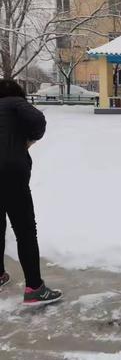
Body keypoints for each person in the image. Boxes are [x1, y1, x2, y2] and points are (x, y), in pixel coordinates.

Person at [0, 79, 62, 305]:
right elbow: (38, 120)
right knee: (25, 230)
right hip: (10, 173)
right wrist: (28, 140)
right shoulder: (15, 102)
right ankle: (34, 288)